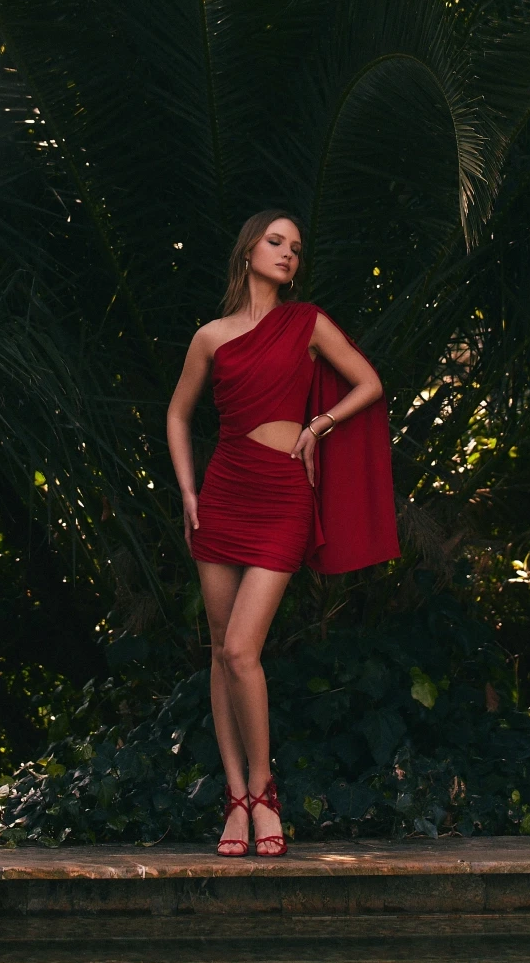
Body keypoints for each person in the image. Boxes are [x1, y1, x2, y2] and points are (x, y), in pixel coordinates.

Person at [166, 209, 399, 859]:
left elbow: (370, 383)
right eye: (276, 241)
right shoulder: (210, 337)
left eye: (296, 247)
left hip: (283, 498)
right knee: (220, 652)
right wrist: (188, 491)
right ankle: (236, 798)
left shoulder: (308, 323)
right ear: (249, 251)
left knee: (243, 650)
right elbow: (178, 415)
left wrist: (318, 426)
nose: (288, 253)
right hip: (222, 497)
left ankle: (265, 790)